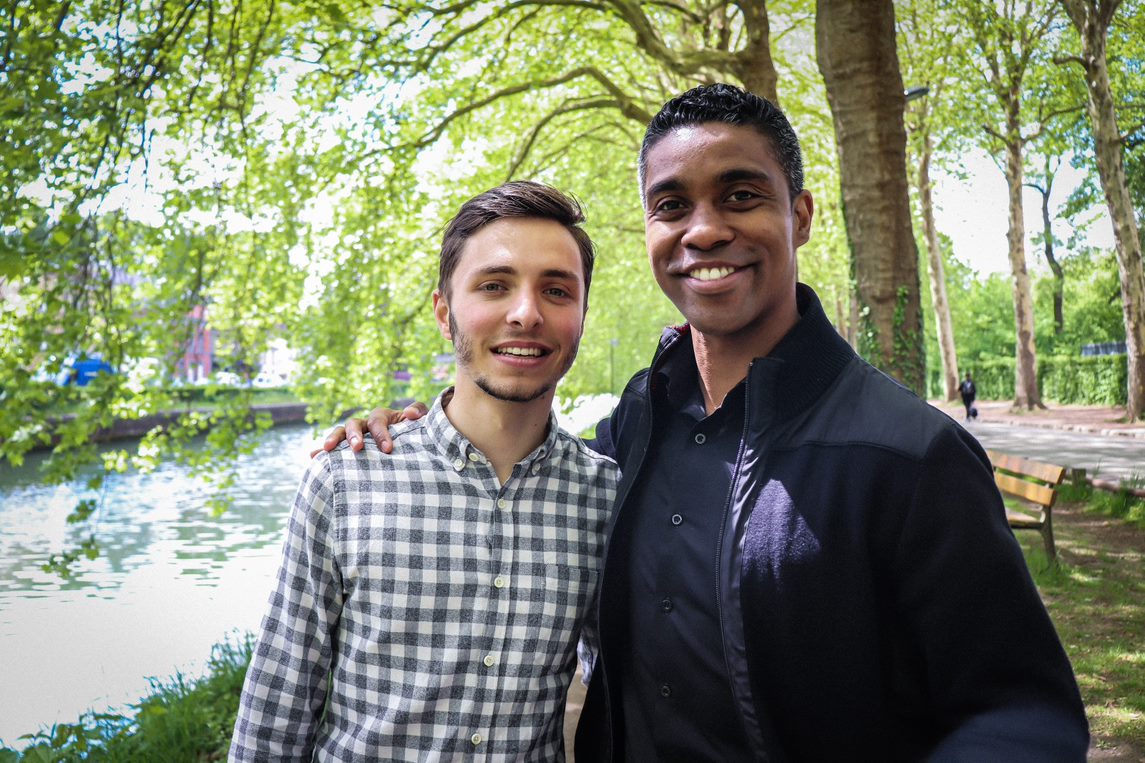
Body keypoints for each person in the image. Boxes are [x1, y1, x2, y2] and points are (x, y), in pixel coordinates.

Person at [329, 85, 1089, 760]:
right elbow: (521, 464)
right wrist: (420, 429)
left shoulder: (908, 453)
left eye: (739, 195)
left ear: (799, 214)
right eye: (670, 206)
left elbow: (1020, 713)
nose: (702, 230)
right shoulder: (633, 424)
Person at [231, 181, 619, 761]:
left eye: (557, 291)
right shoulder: (346, 481)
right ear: (444, 311)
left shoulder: (606, 496)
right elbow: (277, 707)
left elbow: (622, 682)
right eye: (494, 285)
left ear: (582, 316)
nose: (526, 313)